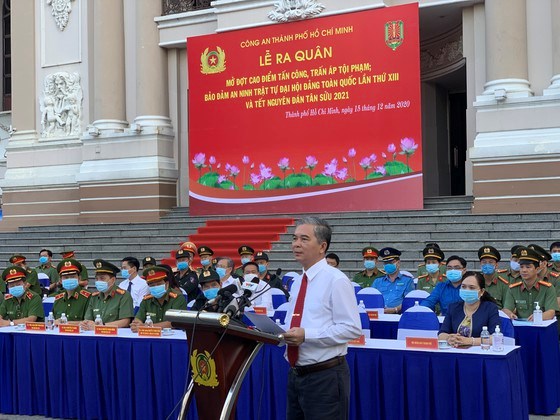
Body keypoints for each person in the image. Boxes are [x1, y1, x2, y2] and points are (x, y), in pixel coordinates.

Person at [283, 216, 361, 420]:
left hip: (324, 377)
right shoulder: (298, 281)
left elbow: (351, 328)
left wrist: (307, 335)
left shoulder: (336, 280)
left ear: (322, 246)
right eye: (294, 238)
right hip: (296, 374)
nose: (296, 244)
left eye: (304, 239)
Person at [438, 271, 500, 347]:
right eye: (463, 287)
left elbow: (495, 337)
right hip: (455, 351)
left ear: (482, 291)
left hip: (480, 353)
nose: (467, 290)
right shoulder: (453, 307)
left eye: (471, 288)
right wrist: (449, 338)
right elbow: (441, 334)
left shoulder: (490, 308)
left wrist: (470, 341)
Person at [502, 247, 559, 320]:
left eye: (528, 267)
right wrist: (509, 314)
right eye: (521, 267)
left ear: (537, 269)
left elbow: (551, 312)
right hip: (520, 327)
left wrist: (538, 317)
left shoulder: (548, 288)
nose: (524, 270)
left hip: (541, 328)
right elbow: (506, 309)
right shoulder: (513, 289)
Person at [80, 259, 134, 330]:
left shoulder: (123, 295)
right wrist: (86, 323)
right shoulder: (94, 297)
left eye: (102, 278)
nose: (99, 281)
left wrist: (103, 326)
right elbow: (88, 318)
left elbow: (125, 321)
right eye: (97, 279)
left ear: (113, 280)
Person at [130, 266, 187, 332]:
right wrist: (136, 324)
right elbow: (138, 319)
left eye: (158, 284)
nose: (155, 287)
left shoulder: (177, 298)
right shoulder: (146, 300)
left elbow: (173, 323)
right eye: (152, 285)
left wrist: (147, 327)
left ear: (167, 284)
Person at [372, 247, 414, 314]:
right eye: (386, 263)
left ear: (398, 263)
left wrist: (395, 309)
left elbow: (409, 301)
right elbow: (372, 299)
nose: (388, 265)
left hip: (398, 316)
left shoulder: (408, 281)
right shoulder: (377, 281)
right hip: (380, 316)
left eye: (391, 262)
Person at [52, 258, 92, 323]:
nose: (69, 279)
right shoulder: (58, 298)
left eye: (73, 277)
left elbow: (88, 323)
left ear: (79, 278)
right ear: (61, 281)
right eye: (66, 277)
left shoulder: (88, 297)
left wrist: (65, 323)